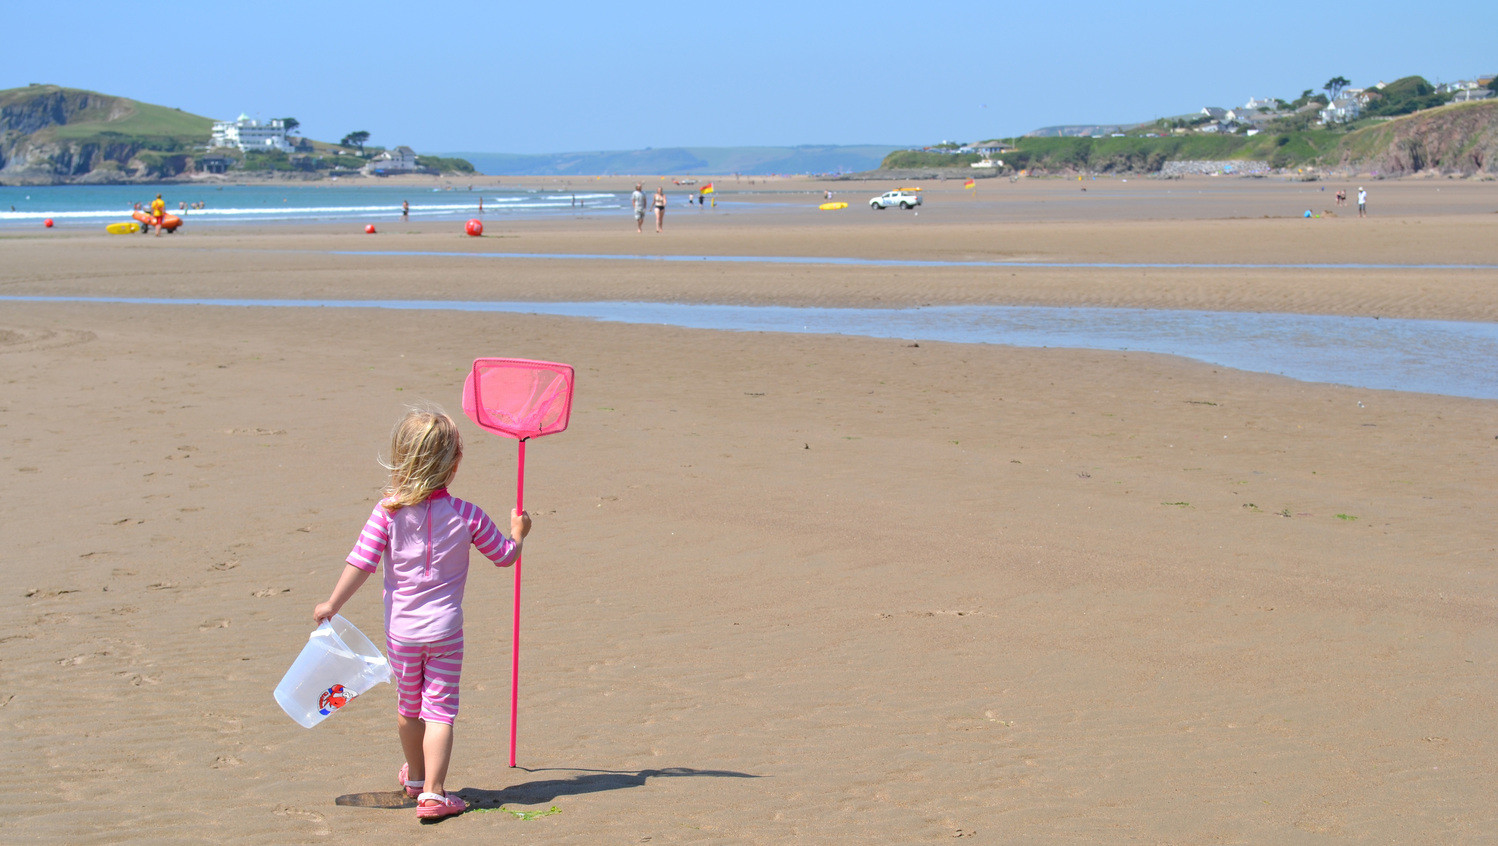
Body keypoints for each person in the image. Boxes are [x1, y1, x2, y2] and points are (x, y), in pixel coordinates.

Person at [313, 407, 532, 821]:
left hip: (402, 634)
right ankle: (432, 793)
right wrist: (519, 534)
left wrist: (333, 603)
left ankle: (416, 778)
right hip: (446, 633)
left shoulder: (388, 512)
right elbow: (504, 556)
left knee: (408, 707)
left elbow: (361, 562)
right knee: (440, 712)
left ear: (402, 459)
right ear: (454, 464)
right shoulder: (467, 514)